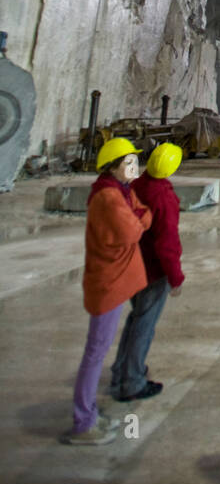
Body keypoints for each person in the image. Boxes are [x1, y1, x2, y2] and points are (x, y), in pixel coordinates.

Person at [60, 137, 152, 446]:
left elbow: (143, 213)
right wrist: (139, 219)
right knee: (95, 353)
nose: (134, 167)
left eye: (135, 161)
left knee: (98, 350)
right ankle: (84, 423)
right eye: (128, 162)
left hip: (113, 281)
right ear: (112, 167)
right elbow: (134, 229)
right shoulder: (109, 198)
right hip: (107, 283)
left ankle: (89, 414)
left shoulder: (121, 191)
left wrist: (139, 217)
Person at [110, 142, 185, 402]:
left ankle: (120, 373)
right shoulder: (163, 197)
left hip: (130, 264)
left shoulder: (136, 186)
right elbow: (167, 243)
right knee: (144, 325)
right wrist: (175, 277)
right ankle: (132, 382)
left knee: (136, 320)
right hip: (152, 271)